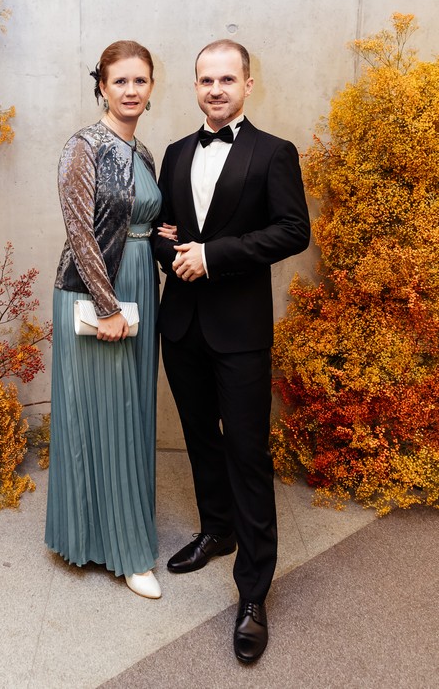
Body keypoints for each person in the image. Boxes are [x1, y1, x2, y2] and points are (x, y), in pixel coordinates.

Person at [154, 39, 310, 660]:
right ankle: (216, 530)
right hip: (181, 326)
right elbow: (160, 230)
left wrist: (212, 256)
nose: (215, 89)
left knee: (247, 452)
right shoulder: (175, 153)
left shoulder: (274, 152)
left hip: (240, 331)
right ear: (195, 86)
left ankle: (253, 592)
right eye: (205, 80)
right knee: (201, 438)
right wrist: (171, 251)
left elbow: (293, 230)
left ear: (248, 84)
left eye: (226, 79)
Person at [45, 40, 171, 600]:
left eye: (140, 80)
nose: (130, 90)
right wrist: (107, 306)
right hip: (99, 293)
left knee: (132, 412)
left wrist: (161, 232)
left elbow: (137, 219)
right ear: (101, 86)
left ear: (151, 87)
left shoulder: (143, 151)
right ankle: (125, 552)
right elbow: (79, 231)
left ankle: (118, 530)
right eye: (120, 81)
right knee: (104, 413)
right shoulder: (83, 146)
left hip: (142, 284)